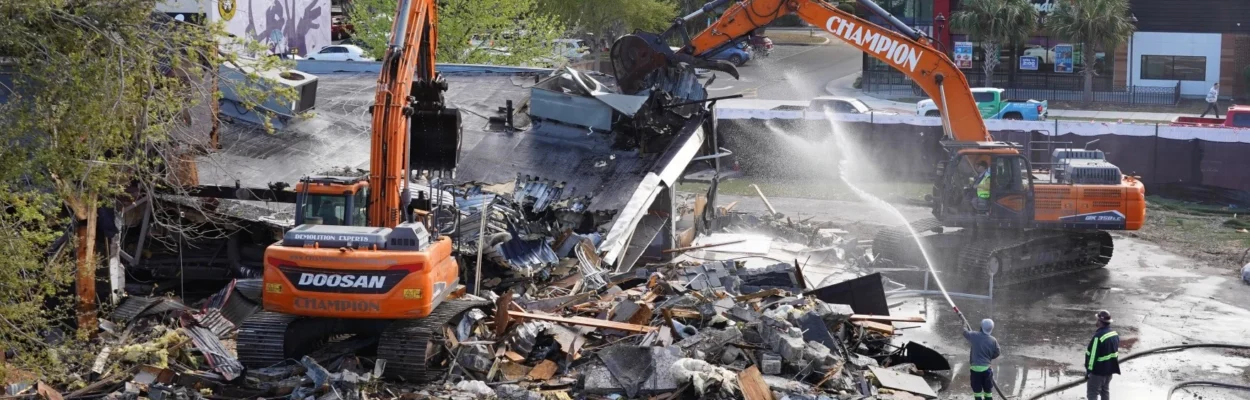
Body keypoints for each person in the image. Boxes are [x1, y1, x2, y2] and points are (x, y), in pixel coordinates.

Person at [1085, 310, 1121, 400]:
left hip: (1098, 372)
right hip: (1109, 371)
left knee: (1092, 393)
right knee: (1105, 391)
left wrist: (1089, 371)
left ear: (1100, 322)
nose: (1096, 321)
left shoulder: (1098, 337)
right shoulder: (1114, 334)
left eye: (1097, 319)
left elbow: (1092, 356)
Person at [964, 318, 1001, 399]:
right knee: (988, 390)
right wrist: (989, 357)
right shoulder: (993, 340)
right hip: (987, 369)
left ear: (981, 327)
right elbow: (998, 352)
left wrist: (964, 323)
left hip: (975, 370)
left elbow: (965, 332)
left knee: (977, 391)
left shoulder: (974, 335)